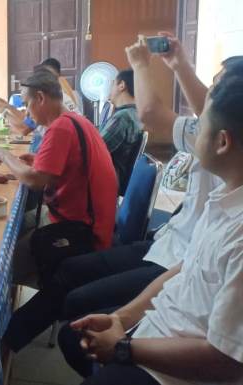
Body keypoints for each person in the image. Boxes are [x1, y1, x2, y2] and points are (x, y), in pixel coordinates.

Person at [1, 32, 243, 358]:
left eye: (216, 88)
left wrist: (143, 63)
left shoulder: (232, 211)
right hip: (167, 244)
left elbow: (222, 356)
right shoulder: (221, 174)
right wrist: (178, 62)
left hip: (117, 238)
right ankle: (14, 334)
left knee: (35, 262)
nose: (207, 96)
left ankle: (5, 338)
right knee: (57, 271)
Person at [65, 66, 243, 385]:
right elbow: (184, 269)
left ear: (222, 142)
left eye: (200, 126)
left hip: (173, 373)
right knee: (73, 338)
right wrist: (122, 318)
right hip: (154, 330)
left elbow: (226, 361)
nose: (192, 130)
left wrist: (124, 350)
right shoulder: (222, 198)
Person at [0, 71, 117, 281]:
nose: (26, 113)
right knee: (13, 222)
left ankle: (24, 294)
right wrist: (39, 159)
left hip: (84, 232)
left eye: (27, 104)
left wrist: (5, 156)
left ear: (40, 98)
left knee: (3, 263)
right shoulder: (73, 120)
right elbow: (62, 167)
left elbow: (34, 180)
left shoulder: (61, 128)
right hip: (88, 218)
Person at [100, 69, 143, 195]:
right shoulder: (135, 114)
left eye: (113, 84)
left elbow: (95, 150)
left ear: (122, 85)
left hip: (107, 179)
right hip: (117, 176)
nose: (110, 89)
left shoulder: (123, 117)